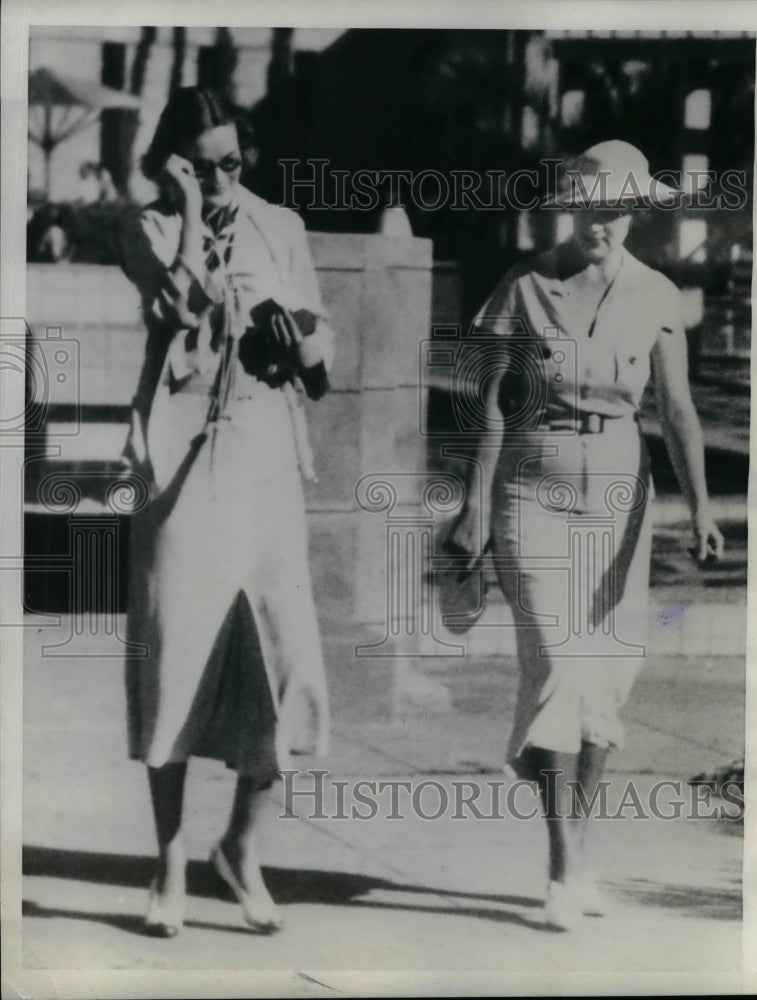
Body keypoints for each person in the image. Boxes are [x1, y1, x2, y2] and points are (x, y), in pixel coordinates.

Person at [451, 140, 724, 930]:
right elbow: (493, 403)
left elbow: (675, 412)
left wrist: (701, 508)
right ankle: (562, 864)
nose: (596, 223)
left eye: (611, 209)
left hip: (617, 487)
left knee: (603, 676)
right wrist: (471, 503)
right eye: (585, 207)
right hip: (529, 486)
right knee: (557, 668)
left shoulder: (656, 294)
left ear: (631, 212)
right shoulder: (525, 283)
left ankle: (582, 837)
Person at [118, 87, 335, 938]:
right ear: (172, 163)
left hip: (265, 456)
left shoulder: (278, 224)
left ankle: (241, 848)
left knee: (291, 664)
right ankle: (169, 860)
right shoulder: (145, 225)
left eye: (231, 163)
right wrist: (189, 208)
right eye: (201, 165)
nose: (221, 179)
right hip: (178, 463)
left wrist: (301, 338)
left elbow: (322, 342)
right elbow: (177, 310)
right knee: (173, 658)